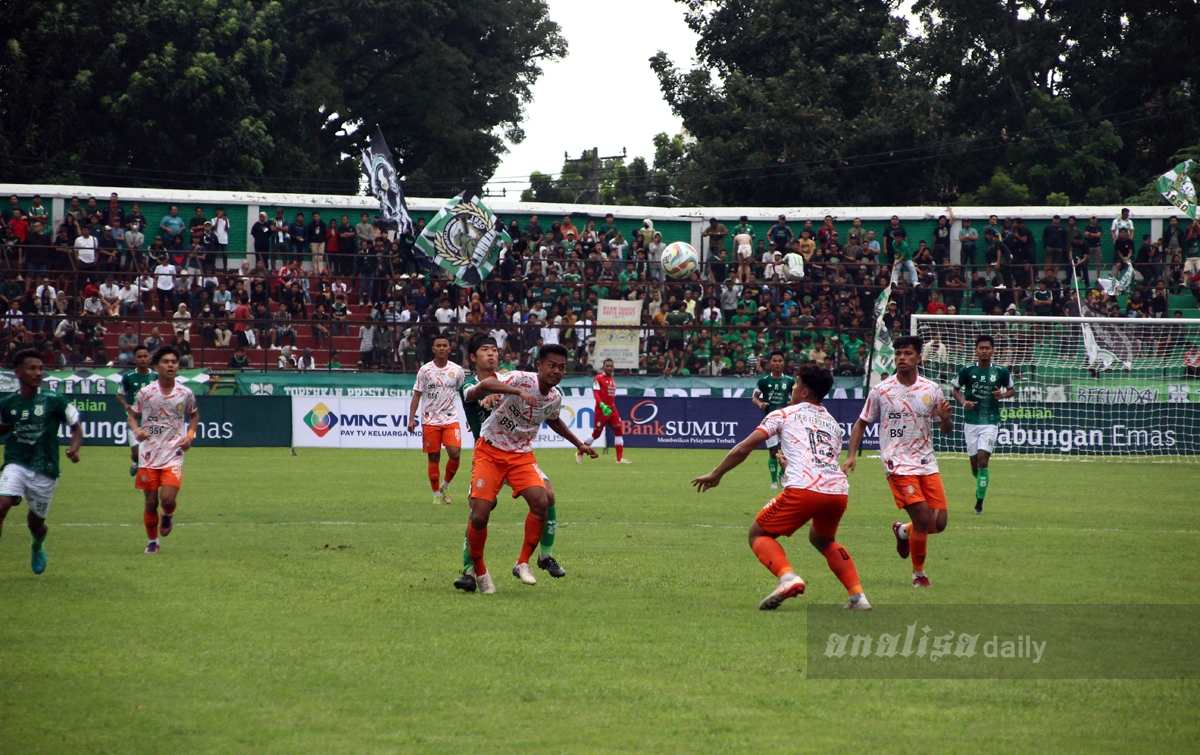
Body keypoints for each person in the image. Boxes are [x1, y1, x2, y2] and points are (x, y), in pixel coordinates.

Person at [691, 363, 870, 611]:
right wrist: (789, 467)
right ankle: (858, 596)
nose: (792, 389)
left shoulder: (783, 414)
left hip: (804, 491)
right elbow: (820, 461)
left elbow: (744, 447)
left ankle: (788, 578)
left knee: (758, 534)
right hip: (838, 492)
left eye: (796, 384)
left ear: (805, 392)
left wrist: (716, 473)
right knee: (824, 539)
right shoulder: (832, 423)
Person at [461, 344, 596, 594]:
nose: (556, 371)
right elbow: (487, 385)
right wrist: (518, 392)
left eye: (561, 367)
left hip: (521, 455)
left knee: (542, 500)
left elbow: (554, 419)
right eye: (551, 365)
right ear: (539, 366)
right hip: (490, 451)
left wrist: (579, 443)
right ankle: (479, 571)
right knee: (479, 515)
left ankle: (523, 562)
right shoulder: (520, 378)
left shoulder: (555, 397)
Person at [844, 335, 954, 588]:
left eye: (907, 353)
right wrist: (851, 455)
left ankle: (903, 531)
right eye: (898, 353)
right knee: (923, 518)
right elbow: (861, 423)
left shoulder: (931, 389)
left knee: (939, 523)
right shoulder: (881, 390)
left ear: (919, 358)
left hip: (926, 462)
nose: (901, 357)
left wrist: (946, 418)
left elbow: (946, 428)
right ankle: (919, 575)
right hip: (897, 462)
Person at [0, 349, 83, 575]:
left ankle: (37, 545)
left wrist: (74, 449)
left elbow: (76, 427)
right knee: (2, 505)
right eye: (32, 368)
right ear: (18, 373)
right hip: (16, 463)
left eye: (40, 368)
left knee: (35, 524)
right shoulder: (8, 403)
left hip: (45, 469)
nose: (39, 373)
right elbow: (6, 427)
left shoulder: (54, 400)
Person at [128, 346, 200, 555]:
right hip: (148, 454)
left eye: (174, 362)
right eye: (166, 362)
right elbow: (132, 416)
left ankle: (167, 513)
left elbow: (194, 415)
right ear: (156, 366)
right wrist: (136, 430)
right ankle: (153, 541)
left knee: (167, 499)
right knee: (151, 502)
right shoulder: (145, 393)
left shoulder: (185, 393)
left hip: (173, 453)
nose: (171, 365)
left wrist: (190, 436)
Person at [951, 335, 1014, 515]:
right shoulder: (967, 370)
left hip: (990, 422)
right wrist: (963, 401)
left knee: (982, 461)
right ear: (976, 350)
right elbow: (955, 389)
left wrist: (1003, 395)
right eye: (981, 348)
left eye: (988, 348)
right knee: (974, 467)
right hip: (970, 422)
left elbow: (1011, 390)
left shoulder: (1001, 372)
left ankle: (979, 504)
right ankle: (981, 486)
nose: (984, 351)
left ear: (993, 351)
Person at [407, 335, 466, 504]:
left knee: (455, 454)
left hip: (450, 419)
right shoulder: (425, 371)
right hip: (430, 420)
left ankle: (445, 485)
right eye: (438, 345)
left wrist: (469, 417)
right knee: (434, 458)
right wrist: (411, 419)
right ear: (433, 349)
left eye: (444, 345)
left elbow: (464, 395)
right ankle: (436, 495)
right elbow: (417, 395)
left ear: (449, 349)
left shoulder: (457, 370)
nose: (441, 348)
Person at [752, 351, 796, 489]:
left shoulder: (790, 381)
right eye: (774, 361)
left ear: (784, 363)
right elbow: (755, 398)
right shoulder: (764, 381)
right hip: (770, 420)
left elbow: (796, 397)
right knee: (773, 451)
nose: (777, 363)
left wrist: (793, 402)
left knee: (788, 451)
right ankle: (773, 481)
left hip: (787, 420)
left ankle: (782, 474)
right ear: (770, 363)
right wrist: (760, 404)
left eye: (779, 361)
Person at [575, 358, 630, 464]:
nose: (609, 368)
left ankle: (619, 459)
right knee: (596, 434)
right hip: (602, 409)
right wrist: (602, 405)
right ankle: (580, 453)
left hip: (612, 409)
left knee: (619, 430)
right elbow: (596, 393)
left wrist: (609, 406)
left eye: (611, 366)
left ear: (614, 368)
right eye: (607, 366)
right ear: (603, 367)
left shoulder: (612, 380)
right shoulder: (598, 378)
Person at [117, 346, 156, 478]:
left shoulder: (156, 376)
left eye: (145, 356)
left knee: (150, 454)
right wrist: (125, 404)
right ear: (135, 360)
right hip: (135, 419)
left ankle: (147, 481)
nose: (143, 359)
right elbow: (120, 394)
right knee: (136, 453)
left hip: (152, 421)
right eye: (139, 357)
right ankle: (136, 463)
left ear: (149, 358)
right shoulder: (128, 377)